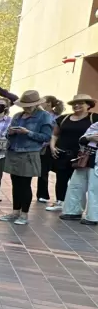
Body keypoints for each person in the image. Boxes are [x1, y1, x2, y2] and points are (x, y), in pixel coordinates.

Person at [0, 90, 55, 225]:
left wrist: (28, 132)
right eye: (24, 105)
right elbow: (7, 134)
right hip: (14, 151)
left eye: (29, 105)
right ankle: (15, 212)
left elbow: (46, 137)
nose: (26, 108)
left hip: (29, 153)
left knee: (25, 184)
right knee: (15, 183)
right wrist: (11, 132)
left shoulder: (44, 116)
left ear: (36, 104)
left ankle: (24, 215)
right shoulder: (18, 116)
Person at [47, 94, 94, 214]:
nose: (76, 106)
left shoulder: (94, 118)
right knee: (61, 178)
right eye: (74, 104)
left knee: (80, 182)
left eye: (81, 103)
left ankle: (76, 206)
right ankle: (60, 202)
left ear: (88, 105)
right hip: (62, 154)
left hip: (83, 156)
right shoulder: (64, 118)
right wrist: (52, 147)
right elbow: (55, 134)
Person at [59, 94, 98, 224]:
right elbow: (82, 138)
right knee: (76, 185)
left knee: (95, 188)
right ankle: (72, 210)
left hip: (96, 161)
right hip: (85, 158)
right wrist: (89, 138)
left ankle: (93, 216)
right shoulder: (96, 124)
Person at [38, 95, 66, 205]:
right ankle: (43, 195)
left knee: (46, 171)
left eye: (43, 101)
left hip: (50, 147)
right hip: (46, 147)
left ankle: (47, 196)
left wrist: (48, 143)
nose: (40, 103)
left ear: (49, 103)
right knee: (43, 171)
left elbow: (54, 133)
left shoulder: (54, 117)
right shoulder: (42, 115)